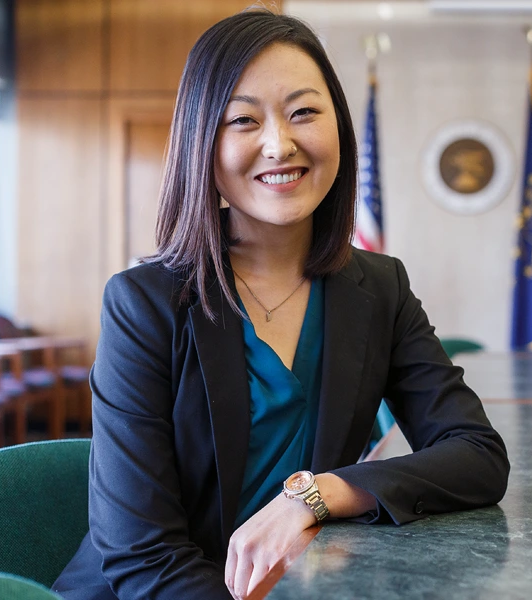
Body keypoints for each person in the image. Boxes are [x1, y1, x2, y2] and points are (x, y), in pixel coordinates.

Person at [53, 8, 508, 600]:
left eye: (304, 112)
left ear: (337, 127)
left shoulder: (379, 288)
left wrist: (315, 494)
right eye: (243, 119)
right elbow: (142, 555)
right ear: (203, 144)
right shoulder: (144, 304)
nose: (279, 143)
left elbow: (476, 455)